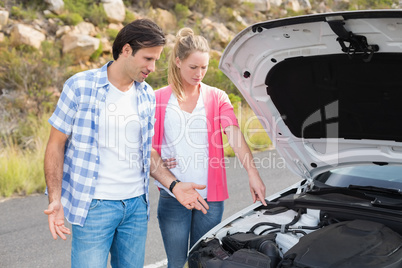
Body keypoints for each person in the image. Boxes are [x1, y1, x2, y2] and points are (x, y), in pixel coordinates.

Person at [43, 19, 209, 268]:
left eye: (156, 60)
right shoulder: (79, 86)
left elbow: (146, 152)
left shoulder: (145, 96)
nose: (152, 67)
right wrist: (54, 198)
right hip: (94, 207)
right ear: (127, 50)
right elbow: (55, 145)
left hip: (135, 208)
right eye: (148, 59)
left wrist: (173, 185)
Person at [152, 27, 267, 268]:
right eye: (193, 67)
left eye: (204, 67)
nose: (199, 73)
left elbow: (234, 134)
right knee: (176, 263)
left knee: (202, 261)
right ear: (178, 61)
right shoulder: (158, 98)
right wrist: (160, 161)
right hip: (174, 196)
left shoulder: (217, 97)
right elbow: (145, 145)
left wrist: (252, 173)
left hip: (210, 199)